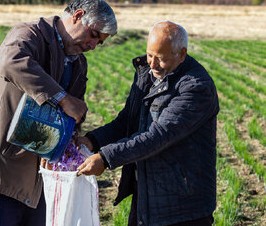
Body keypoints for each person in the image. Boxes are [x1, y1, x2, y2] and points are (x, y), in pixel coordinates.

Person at [0, 0, 117, 225]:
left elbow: (73, 116)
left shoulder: (78, 63)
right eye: (94, 35)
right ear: (78, 16)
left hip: (40, 181)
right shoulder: (30, 34)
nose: (93, 45)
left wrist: (68, 144)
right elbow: (11, 61)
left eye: (99, 42)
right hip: (2, 172)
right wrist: (62, 98)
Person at [76, 21, 219, 226]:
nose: (151, 64)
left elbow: (158, 136)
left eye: (160, 58)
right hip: (147, 196)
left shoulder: (197, 88)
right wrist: (91, 141)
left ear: (182, 54)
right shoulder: (148, 75)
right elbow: (127, 120)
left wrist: (106, 158)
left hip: (184, 205)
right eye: (149, 55)